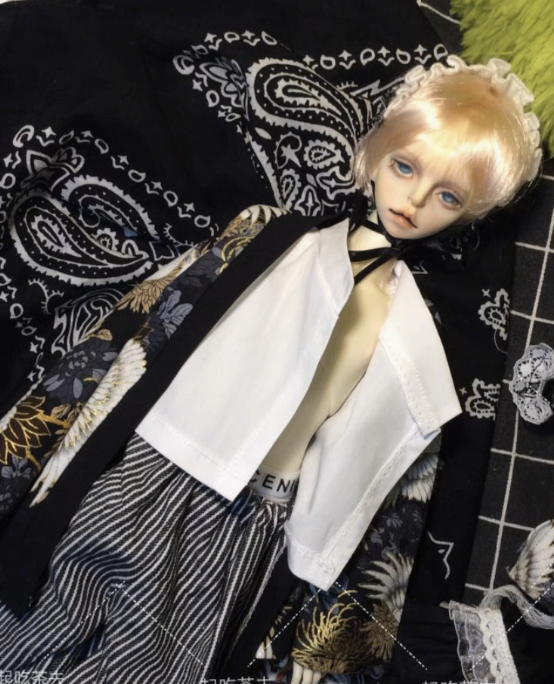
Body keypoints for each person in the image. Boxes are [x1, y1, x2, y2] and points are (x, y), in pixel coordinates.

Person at [0, 56, 541, 683]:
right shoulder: (268, 240)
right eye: (405, 166)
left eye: (448, 196)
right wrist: (31, 451)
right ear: (376, 154)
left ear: (469, 214)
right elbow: (135, 330)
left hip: (246, 529)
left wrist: (323, 646)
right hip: (151, 466)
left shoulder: (415, 348)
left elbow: (381, 504)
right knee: (32, 627)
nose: (415, 201)